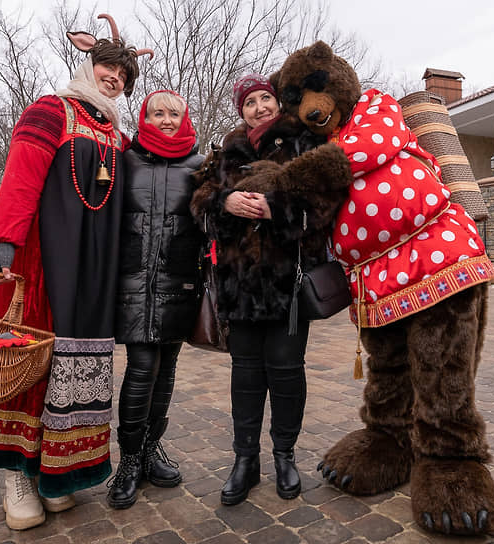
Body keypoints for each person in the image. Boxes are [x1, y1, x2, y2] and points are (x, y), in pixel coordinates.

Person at [0, 15, 150, 531]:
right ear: (89, 65)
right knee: (31, 358)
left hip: (96, 268)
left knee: (78, 362)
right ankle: (15, 472)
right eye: (109, 70)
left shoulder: (118, 133)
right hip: (45, 259)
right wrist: (6, 238)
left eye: (123, 78)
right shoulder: (51, 110)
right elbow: (21, 171)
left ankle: (56, 469)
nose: (115, 80)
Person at [190, 74, 340, 505]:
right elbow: (199, 202)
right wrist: (225, 204)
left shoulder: (304, 145)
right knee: (246, 375)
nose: (259, 107)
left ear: (278, 103)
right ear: (241, 110)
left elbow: (324, 206)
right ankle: (245, 460)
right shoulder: (228, 153)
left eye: (265, 99)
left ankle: (284, 456)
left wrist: (277, 209)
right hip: (238, 286)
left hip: (286, 285)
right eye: (250, 102)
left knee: (287, 371)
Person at [108, 90, 204, 509]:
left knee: (166, 370)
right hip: (132, 282)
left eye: (174, 113)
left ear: (185, 119)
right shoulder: (123, 159)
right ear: (144, 116)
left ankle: (151, 450)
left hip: (179, 284)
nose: (166, 119)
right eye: (157, 112)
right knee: (143, 366)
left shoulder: (201, 166)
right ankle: (128, 461)